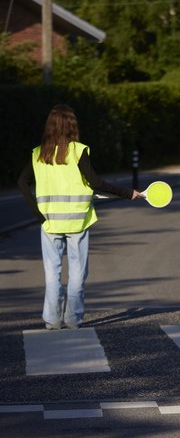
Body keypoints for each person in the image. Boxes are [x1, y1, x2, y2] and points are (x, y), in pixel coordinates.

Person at [17, 104, 141, 330]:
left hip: (50, 223)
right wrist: (127, 193)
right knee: (77, 272)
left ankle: (52, 320)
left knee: (51, 273)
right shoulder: (77, 151)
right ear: (72, 125)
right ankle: (73, 320)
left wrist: (37, 213)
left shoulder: (38, 153)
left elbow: (22, 182)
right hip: (78, 221)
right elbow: (96, 183)